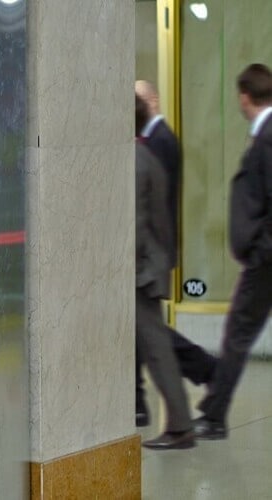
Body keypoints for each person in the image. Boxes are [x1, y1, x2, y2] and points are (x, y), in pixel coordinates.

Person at [194, 63, 272, 440]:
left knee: (237, 334)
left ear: (245, 96)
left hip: (265, 263)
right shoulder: (263, 135)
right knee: (238, 334)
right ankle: (213, 408)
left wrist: (260, 250)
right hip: (263, 259)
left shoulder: (268, 137)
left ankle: (214, 416)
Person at [133, 80, 217, 428]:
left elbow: (152, 210)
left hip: (145, 261)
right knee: (146, 337)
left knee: (154, 338)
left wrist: (154, 259)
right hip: (149, 258)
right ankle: (139, 402)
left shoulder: (156, 144)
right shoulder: (147, 145)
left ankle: (205, 373)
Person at [135, 94, 196, 450]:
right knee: (158, 348)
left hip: (141, 272)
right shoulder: (146, 157)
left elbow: (137, 224)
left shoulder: (134, 161)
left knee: (157, 350)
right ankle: (180, 423)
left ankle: (180, 426)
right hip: (151, 266)